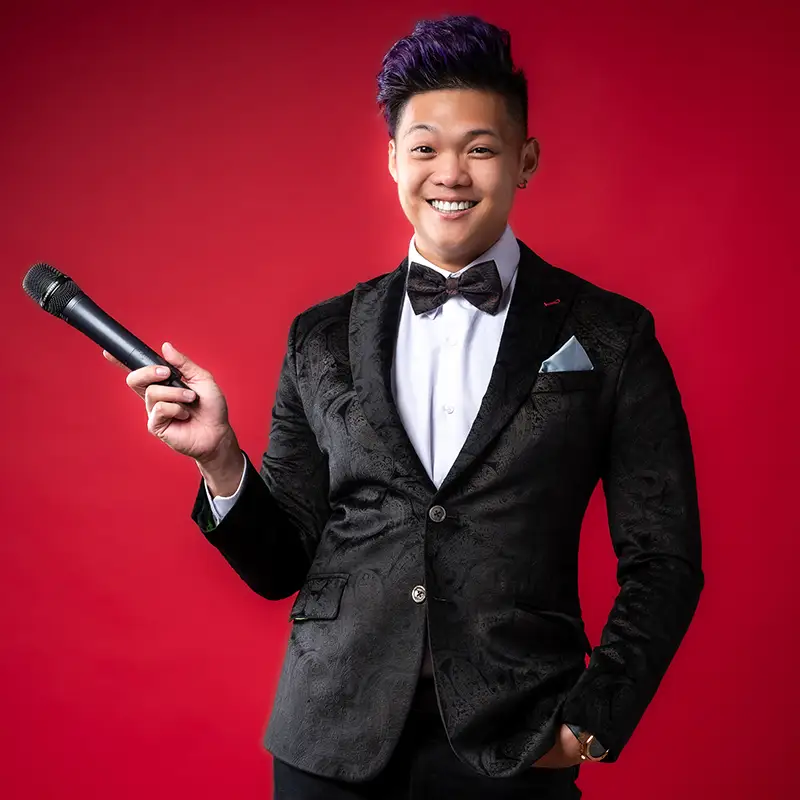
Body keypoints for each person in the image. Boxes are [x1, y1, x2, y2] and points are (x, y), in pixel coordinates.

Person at [105, 14, 703, 799]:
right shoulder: (319, 336)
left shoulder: (609, 334)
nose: (450, 173)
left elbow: (664, 557)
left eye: (479, 149)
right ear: (392, 159)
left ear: (525, 160)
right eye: (424, 148)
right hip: (328, 746)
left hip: (514, 744)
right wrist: (220, 461)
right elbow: (281, 567)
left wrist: (591, 722)